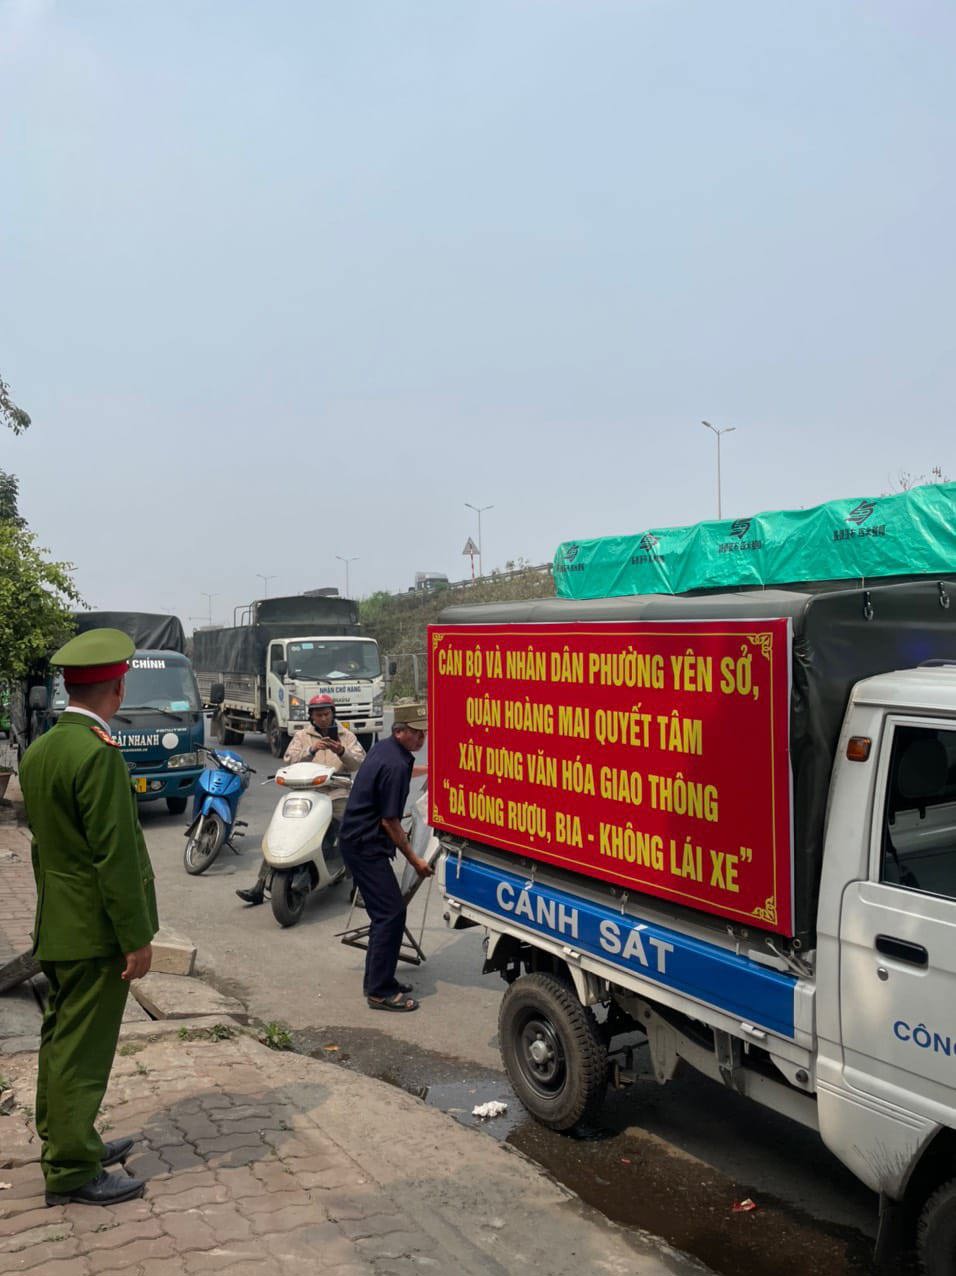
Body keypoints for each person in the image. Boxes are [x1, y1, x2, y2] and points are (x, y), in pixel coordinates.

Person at [18, 628, 158, 1207]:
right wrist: (137, 938)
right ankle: (72, 1169)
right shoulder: (97, 754)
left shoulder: (42, 750)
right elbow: (116, 857)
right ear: (118, 688)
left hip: (57, 925)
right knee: (84, 1051)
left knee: (60, 1040)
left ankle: (67, 1137)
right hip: (95, 933)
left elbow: (43, 847)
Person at [337, 701, 433, 1012]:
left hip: (360, 841)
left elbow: (402, 774)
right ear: (400, 731)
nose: (422, 741)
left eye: (424, 735)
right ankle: (379, 992)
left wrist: (429, 770)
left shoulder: (390, 751)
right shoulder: (394, 763)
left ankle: (382, 979)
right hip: (364, 845)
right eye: (417, 735)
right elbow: (389, 822)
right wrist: (416, 860)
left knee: (388, 913)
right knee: (389, 914)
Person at [236, 694, 365, 905]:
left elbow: (358, 762)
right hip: (305, 794)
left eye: (326, 714)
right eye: (318, 715)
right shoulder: (302, 736)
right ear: (311, 717)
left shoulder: (346, 736)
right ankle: (259, 886)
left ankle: (359, 887)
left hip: (335, 794)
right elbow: (288, 760)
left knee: (353, 833)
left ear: (333, 713)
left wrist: (340, 751)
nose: (323, 718)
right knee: (279, 831)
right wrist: (311, 749)